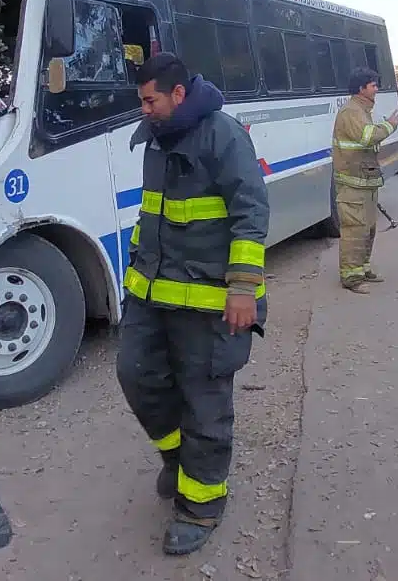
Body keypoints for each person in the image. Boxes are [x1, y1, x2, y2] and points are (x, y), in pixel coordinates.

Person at [116, 53, 269, 556]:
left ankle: (202, 504)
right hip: (153, 293)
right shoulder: (157, 139)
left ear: (177, 95)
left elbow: (251, 211)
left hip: (209, 302)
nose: (143, 109)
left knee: (204, 402)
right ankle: (179, 459)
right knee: (136, 374)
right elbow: (153, 214)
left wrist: (243, 288)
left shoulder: (223, 135)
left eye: (149, 100)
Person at [332, 67, 398, 292]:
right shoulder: (351, 112)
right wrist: (390, 124)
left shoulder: (362, 110)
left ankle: (362, 269)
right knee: (355, 230)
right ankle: (351, 278)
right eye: (373, 85)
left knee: (368, 229)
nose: (377, 89)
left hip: (364, 181)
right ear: (361, 88)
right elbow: (367, 137)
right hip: (352, 184)